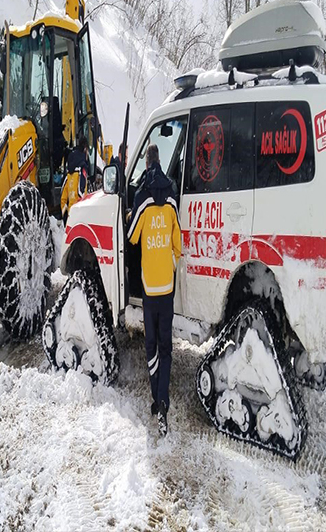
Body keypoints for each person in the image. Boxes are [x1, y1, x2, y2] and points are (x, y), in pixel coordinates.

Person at [128, 144, 181, 436]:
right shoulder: (172, 194)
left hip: (149, 286)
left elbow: (132, 237)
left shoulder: (141, 197)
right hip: (167, 285)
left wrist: (134, 216)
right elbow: (178, 243)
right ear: (161, 162)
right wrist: (170, 261)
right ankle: (164, 401)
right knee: (166, 347)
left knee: (151, 347)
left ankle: (156, 402)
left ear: (146, 163)